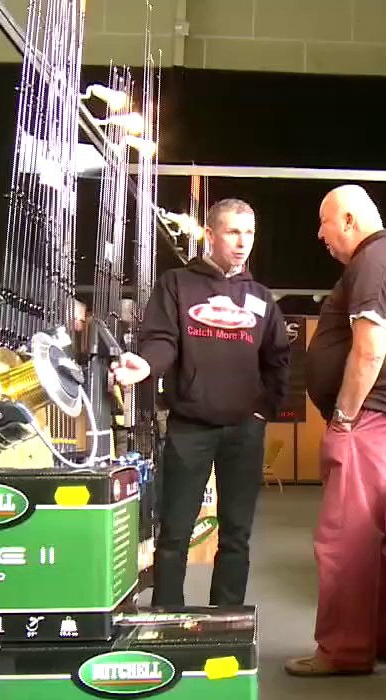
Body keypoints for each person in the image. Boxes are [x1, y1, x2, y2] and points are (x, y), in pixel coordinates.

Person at [111, 198, 290, 608]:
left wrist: (265, 409)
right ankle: (167, 617)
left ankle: (226, 621)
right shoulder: (176, 284)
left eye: (249, 233)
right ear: (209, 235)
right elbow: (161, 340)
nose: (242, 243)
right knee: (174, 532)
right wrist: (147, 365)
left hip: (245, 429)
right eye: (232, 232)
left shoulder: (261, 297)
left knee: (236, 535)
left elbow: (278, 358)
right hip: (190, 427)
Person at [285, 185, 386, 677]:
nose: (319, 235)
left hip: (375, 419)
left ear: (348, 220)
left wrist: (345, 417)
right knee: (385, 533)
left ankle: (343, 651)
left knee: (344, 537)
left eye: (324, 223)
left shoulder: (373, 259)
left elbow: (370, 349)